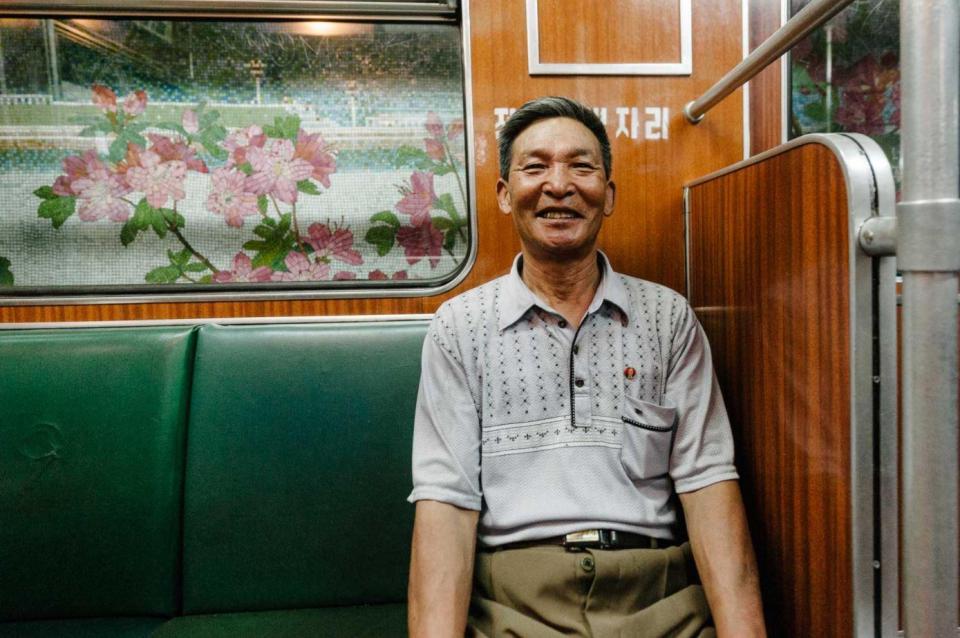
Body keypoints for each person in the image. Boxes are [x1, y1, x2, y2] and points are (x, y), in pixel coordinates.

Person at [407, 96, 765, 637]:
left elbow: (708, 485)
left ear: (609, 194)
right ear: (505, 196)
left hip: (658, 596)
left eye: (581, 166)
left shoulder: (668, 318)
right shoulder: (460, 326)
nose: (558, 185)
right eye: (535, 167)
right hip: (513, 604)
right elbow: (447, 505)